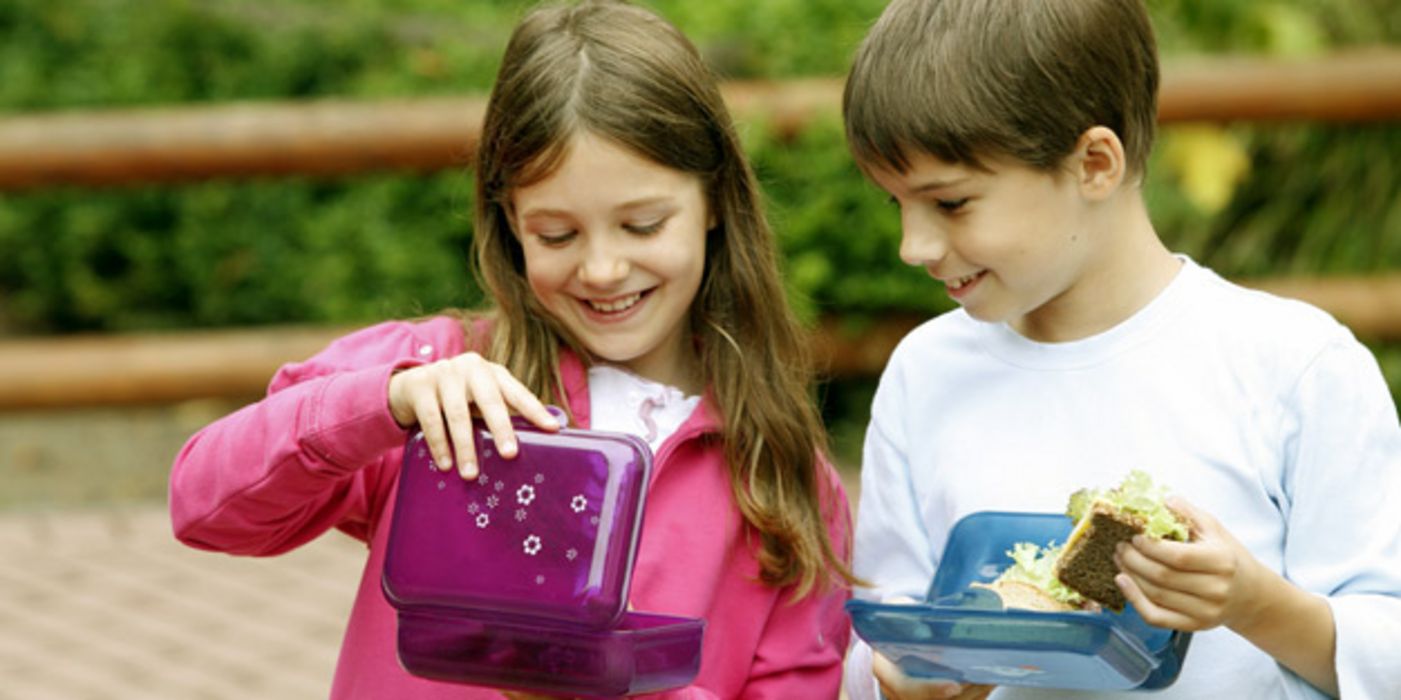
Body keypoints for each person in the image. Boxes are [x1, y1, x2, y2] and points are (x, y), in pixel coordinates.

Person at [169, 1, 857, 697]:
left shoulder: (782, 477)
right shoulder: (431, 380)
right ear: (510, 223)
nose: (602, 269)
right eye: (556, 236)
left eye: (642, 225)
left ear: (715, 203)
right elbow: (204, 507)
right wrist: (385, 401)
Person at [837, 1, 1401, 699]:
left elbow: (1388, 650)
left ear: (1094, 164)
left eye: (950, 204)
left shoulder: (1294, 366)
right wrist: (903, 682)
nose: (912, 247)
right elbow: (883, 633)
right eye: (897, 205)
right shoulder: (924, 374)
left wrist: (1256, 605)